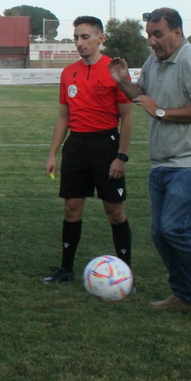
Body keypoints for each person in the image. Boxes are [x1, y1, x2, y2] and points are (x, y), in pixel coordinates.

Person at [108, 7, 191, 319]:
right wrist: (124, 81)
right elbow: (143, 97)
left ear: (177, 33)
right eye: (149, 35)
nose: (152, 41)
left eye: (158, 34)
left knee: (177, 228)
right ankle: (183, 292)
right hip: (164, 163)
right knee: (161, 234)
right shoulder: (155, 61)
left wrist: (161, 112)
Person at [43, 16, 133, 284]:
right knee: (71, 209)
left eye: (85, 37)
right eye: (76, 38)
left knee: (114, 211)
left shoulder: (115, 71)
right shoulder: (68, 72)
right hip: (76, 146)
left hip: (106, 146)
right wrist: (52, 154)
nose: (79, 43)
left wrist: (121, 157)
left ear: (100, 38)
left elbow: (127, 117)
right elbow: (63, 116)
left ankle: (126, 273)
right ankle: (66, 269)